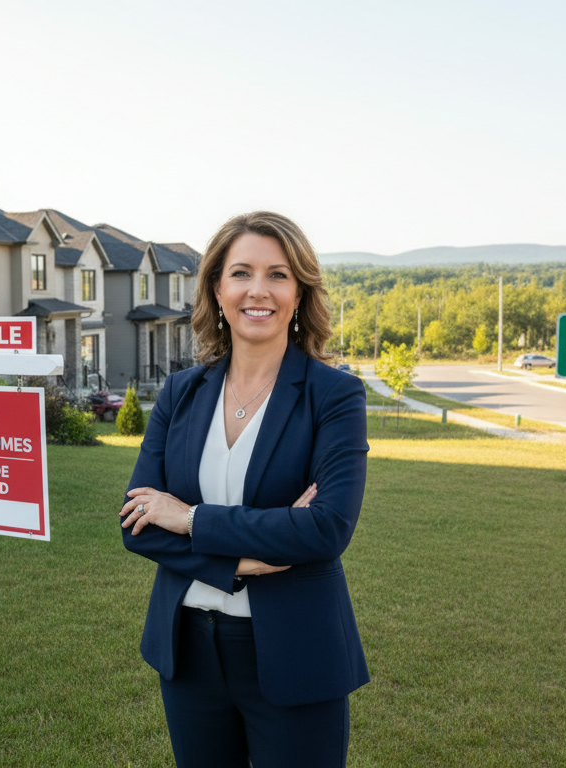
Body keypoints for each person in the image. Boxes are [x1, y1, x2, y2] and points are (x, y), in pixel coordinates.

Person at [119, 211, 371, 767]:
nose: (259, 290)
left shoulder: (334, 397)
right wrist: (241, 562)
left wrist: (188, 519)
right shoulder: (181, 392)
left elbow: (326, 528)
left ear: (300, 291)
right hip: (188, 652)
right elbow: (136, 524)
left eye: (278, 275)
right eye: (242, 273)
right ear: (217, 287)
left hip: (296, 653)